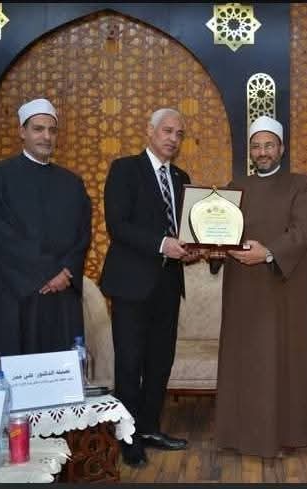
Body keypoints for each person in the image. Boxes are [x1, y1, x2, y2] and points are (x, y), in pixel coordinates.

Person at [214, 115, 307, 458]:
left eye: (269, 145)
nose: (263, 152)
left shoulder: (302, 185)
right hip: (242, 290)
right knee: (245, 363)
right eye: (257, 146)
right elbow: (219, 231)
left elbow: (302, 232)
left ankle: (284, 435)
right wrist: (209, 247)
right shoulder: (234, 187)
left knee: (280, 363)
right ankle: (238, 435)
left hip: (283, 289)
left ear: (281, 148)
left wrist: (269, 252)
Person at [100, 108, 197, 467]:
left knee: (159, 362)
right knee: (129, 363)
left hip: (168, 284)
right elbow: (118, 225)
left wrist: (192, 248)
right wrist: (162, 244)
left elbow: (186, 229)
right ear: (150, 130)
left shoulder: (182, 177)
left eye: (179, 134)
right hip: (131, 285)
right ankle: (128, 438)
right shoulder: (124, 169)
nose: (173, 138)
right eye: (167, 131)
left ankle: (150, 428)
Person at [0, 98, 91, 374]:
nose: (46, 137)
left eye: (52, 130)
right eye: (38, 129)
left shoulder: (72, 183)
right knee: (17, 380)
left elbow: (83, 235)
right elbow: (2, 235)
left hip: (61, 298)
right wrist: (49, 272)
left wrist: (66, 273)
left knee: (60, 380)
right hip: (16, 296)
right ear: (22, 132)